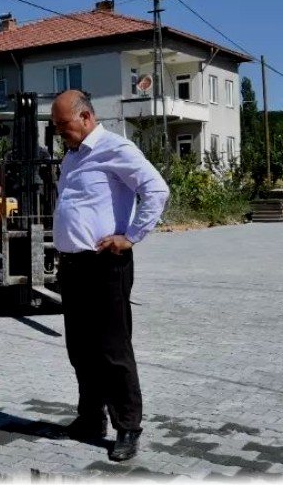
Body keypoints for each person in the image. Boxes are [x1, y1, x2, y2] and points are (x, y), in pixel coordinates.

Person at [49, 90, 170, 462]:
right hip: (73, 266)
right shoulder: (72, 156)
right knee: (81, 349)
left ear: (85, 117)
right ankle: (90, 418)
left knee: (113, 352)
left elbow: (156, 189)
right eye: (55, 128)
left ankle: (128, 427)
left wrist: (130, 236)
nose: (59, 134)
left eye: (63, 126)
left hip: (104, 265)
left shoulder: (115, 149)